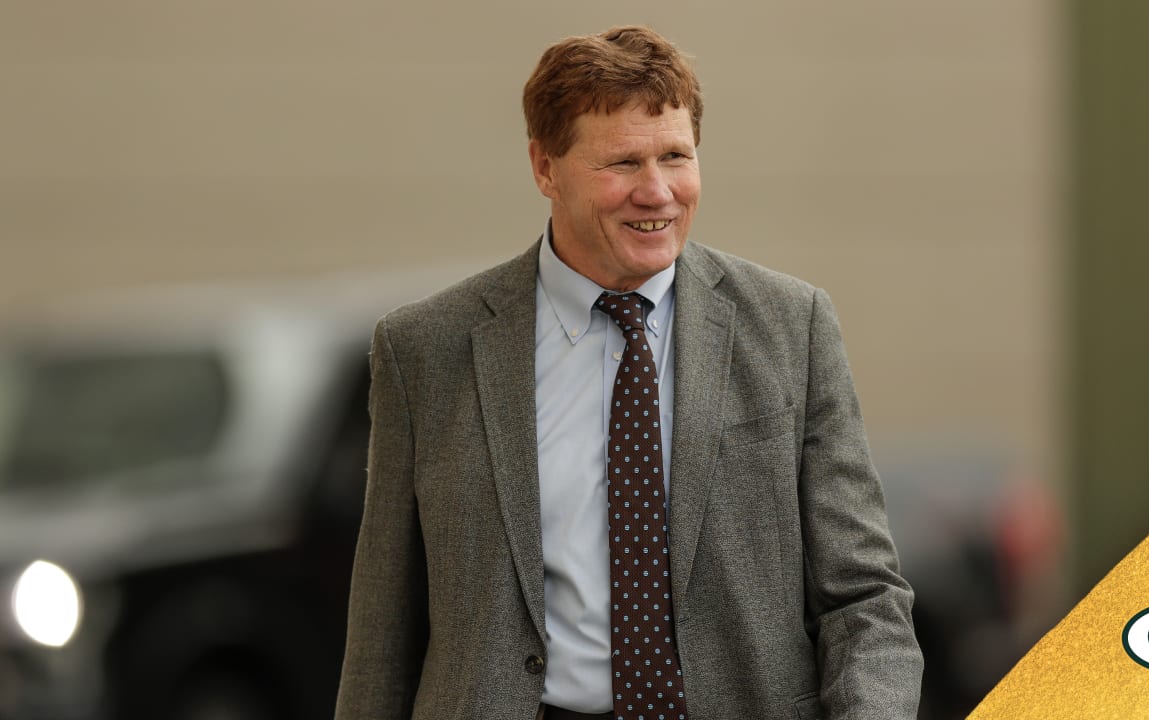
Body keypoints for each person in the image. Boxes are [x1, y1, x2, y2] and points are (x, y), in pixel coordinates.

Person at [335, 25, 922, 720]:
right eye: (621, 164)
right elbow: (382, 630)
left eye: (676, 156)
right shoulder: (425, 352)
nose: (657, 192)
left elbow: (864, 598)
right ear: (544, 167)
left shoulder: (793, 327)